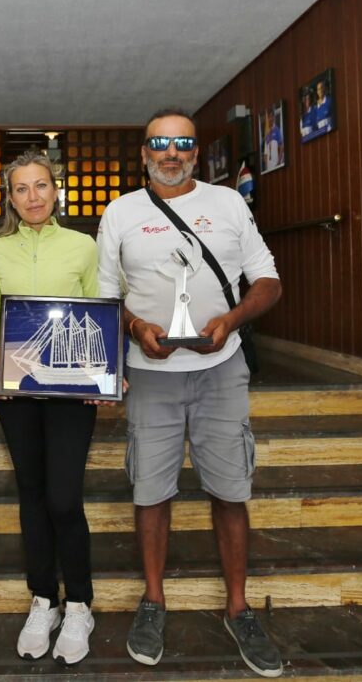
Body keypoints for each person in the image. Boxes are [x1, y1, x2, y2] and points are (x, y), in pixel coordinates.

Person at [97, 107, 283, 678]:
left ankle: (238, 608)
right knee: (151, 492)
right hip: (151, 374)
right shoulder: (121, 213)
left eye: (182, 143)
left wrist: (231, 320)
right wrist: (134, 329)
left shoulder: (229, 204)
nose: (171, 153)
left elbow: (269, 281)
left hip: (220, 369)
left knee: (230, 490)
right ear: (145, 154)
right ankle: (153, 601)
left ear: (196, 153)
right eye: (160, 144)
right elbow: (106, 295)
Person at [0, 150, 100, 666]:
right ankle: (43, 600)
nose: (33, 196)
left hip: (73, 391)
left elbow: (100, 306)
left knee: (62, 497)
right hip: (17, 388)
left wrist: (104, 371)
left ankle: (79, 602)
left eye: (41, 186)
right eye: (22, 188)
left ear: (57, 191)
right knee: (30, 492)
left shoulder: (83, 245)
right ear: (10, 197)